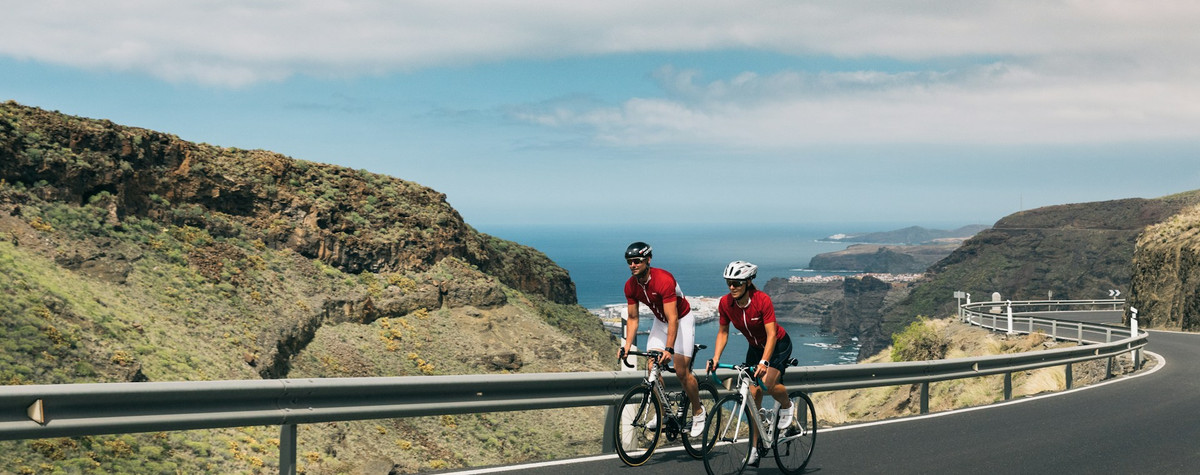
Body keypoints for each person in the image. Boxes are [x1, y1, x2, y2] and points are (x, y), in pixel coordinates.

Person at [706, 260, 794, 466]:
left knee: (769, 383)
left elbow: (771, 335)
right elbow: (723, 332)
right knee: (753, 396)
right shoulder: (725, 303)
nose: (732, 287)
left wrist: (764, 361)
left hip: (778, 344)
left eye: (736, 283)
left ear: (747, 282)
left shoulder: (762, 300)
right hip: (754, 347)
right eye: (729, 283)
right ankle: (754, 448)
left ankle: (787, 404)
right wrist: (716, 358)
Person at [618, 241, 705, 438]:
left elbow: (673, 318)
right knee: (652, 368)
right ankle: (664, 412)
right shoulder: (631, 286)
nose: (633, 265)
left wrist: (669, 349)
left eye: (637, 261)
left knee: (682, 371)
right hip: (660, 322)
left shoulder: (663, 280)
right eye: (629, 262)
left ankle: (699, 411)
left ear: (648, 260)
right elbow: (632, 318)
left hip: (681, 320)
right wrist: (627, 346)